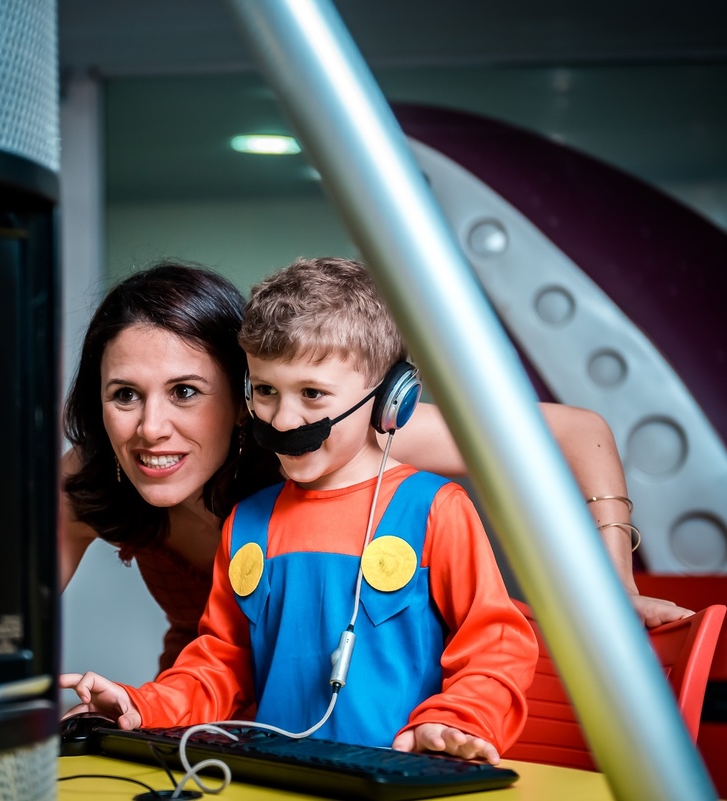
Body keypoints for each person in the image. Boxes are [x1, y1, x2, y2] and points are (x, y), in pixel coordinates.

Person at [60, 259, 689, 675]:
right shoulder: (91, 477)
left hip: (351, 716)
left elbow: (579, 435)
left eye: (187, 392)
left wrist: (616, 583)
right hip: (203, 708)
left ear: (242, 392)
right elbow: (7, 642)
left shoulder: (325, 439)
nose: (151, 428)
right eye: (125, 395)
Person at [61, 257, 538, 763]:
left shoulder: (434, 509)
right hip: (280, 774)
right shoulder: (247, 523)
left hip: (406, 773)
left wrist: (456, 723)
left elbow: (495, 644)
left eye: (312, 394)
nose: (285, 419)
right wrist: (141, 703)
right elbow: (221, 663)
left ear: (388, 401)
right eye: (266, 391)